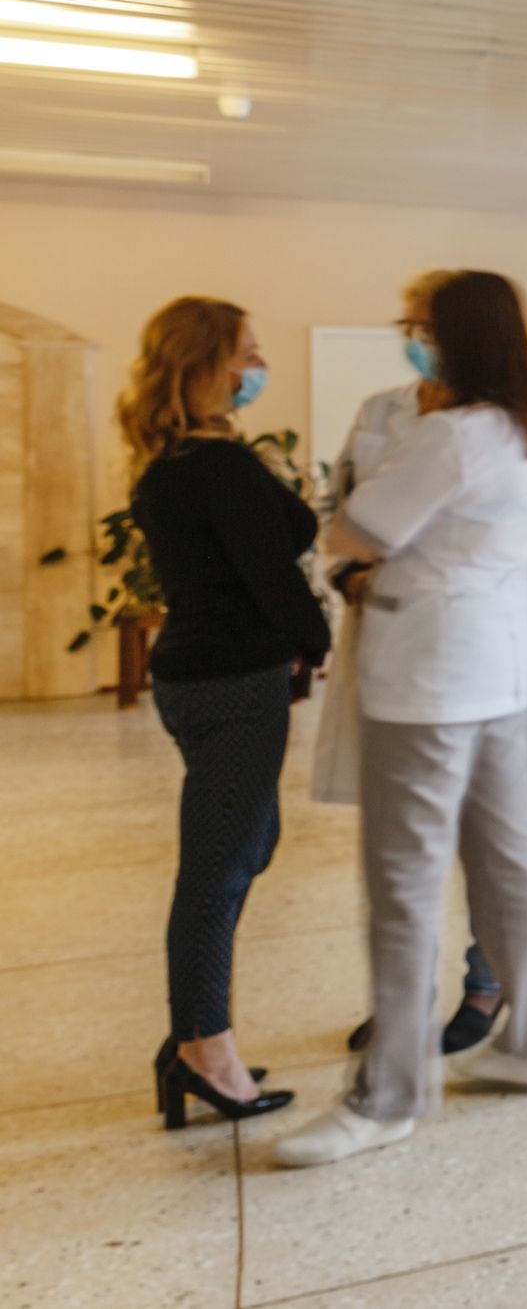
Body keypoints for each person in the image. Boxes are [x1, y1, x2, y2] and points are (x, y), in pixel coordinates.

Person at [276, 271, 527, 1167]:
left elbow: (352, 531)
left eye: (425, 325)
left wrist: (374, 534)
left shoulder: (450, 434)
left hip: (426, 677)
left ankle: (389, 1095)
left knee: (403, 883)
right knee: (507, 858)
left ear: (460, 335)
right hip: (493, 668)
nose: (414, 338)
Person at [124, 297, 328, 1130]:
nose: (258, 364)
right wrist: (316, 640)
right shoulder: (219, 465)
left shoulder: (172, 460)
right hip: (234, 681)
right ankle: (203, 1049)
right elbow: (272, 572)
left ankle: (196, 1034)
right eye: (247, 352)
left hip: (197, 674)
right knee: (217, 870)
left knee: (247, 845)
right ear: (206, 362)